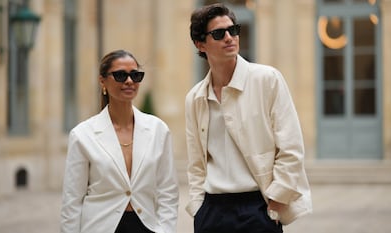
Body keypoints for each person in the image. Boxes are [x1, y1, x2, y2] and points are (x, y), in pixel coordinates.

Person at [185, 3, 312, 233]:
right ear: (200, 44)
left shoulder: (267, 80)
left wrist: (276, 202)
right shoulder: (195, 98)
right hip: (212, 211)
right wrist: (198, 207)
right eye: (218, 33)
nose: (229, 37)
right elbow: (196, 163)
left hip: (258, 208)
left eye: (233, 30)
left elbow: (291, 147)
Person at [60, 50, 179, 233]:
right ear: (103, 81)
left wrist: (165, 230)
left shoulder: (158, 130)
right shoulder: (82, 135)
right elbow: (72, 201)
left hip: (147, 226)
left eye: (135, 75)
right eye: (120, 75)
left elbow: (168, 191)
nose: (129, 81)